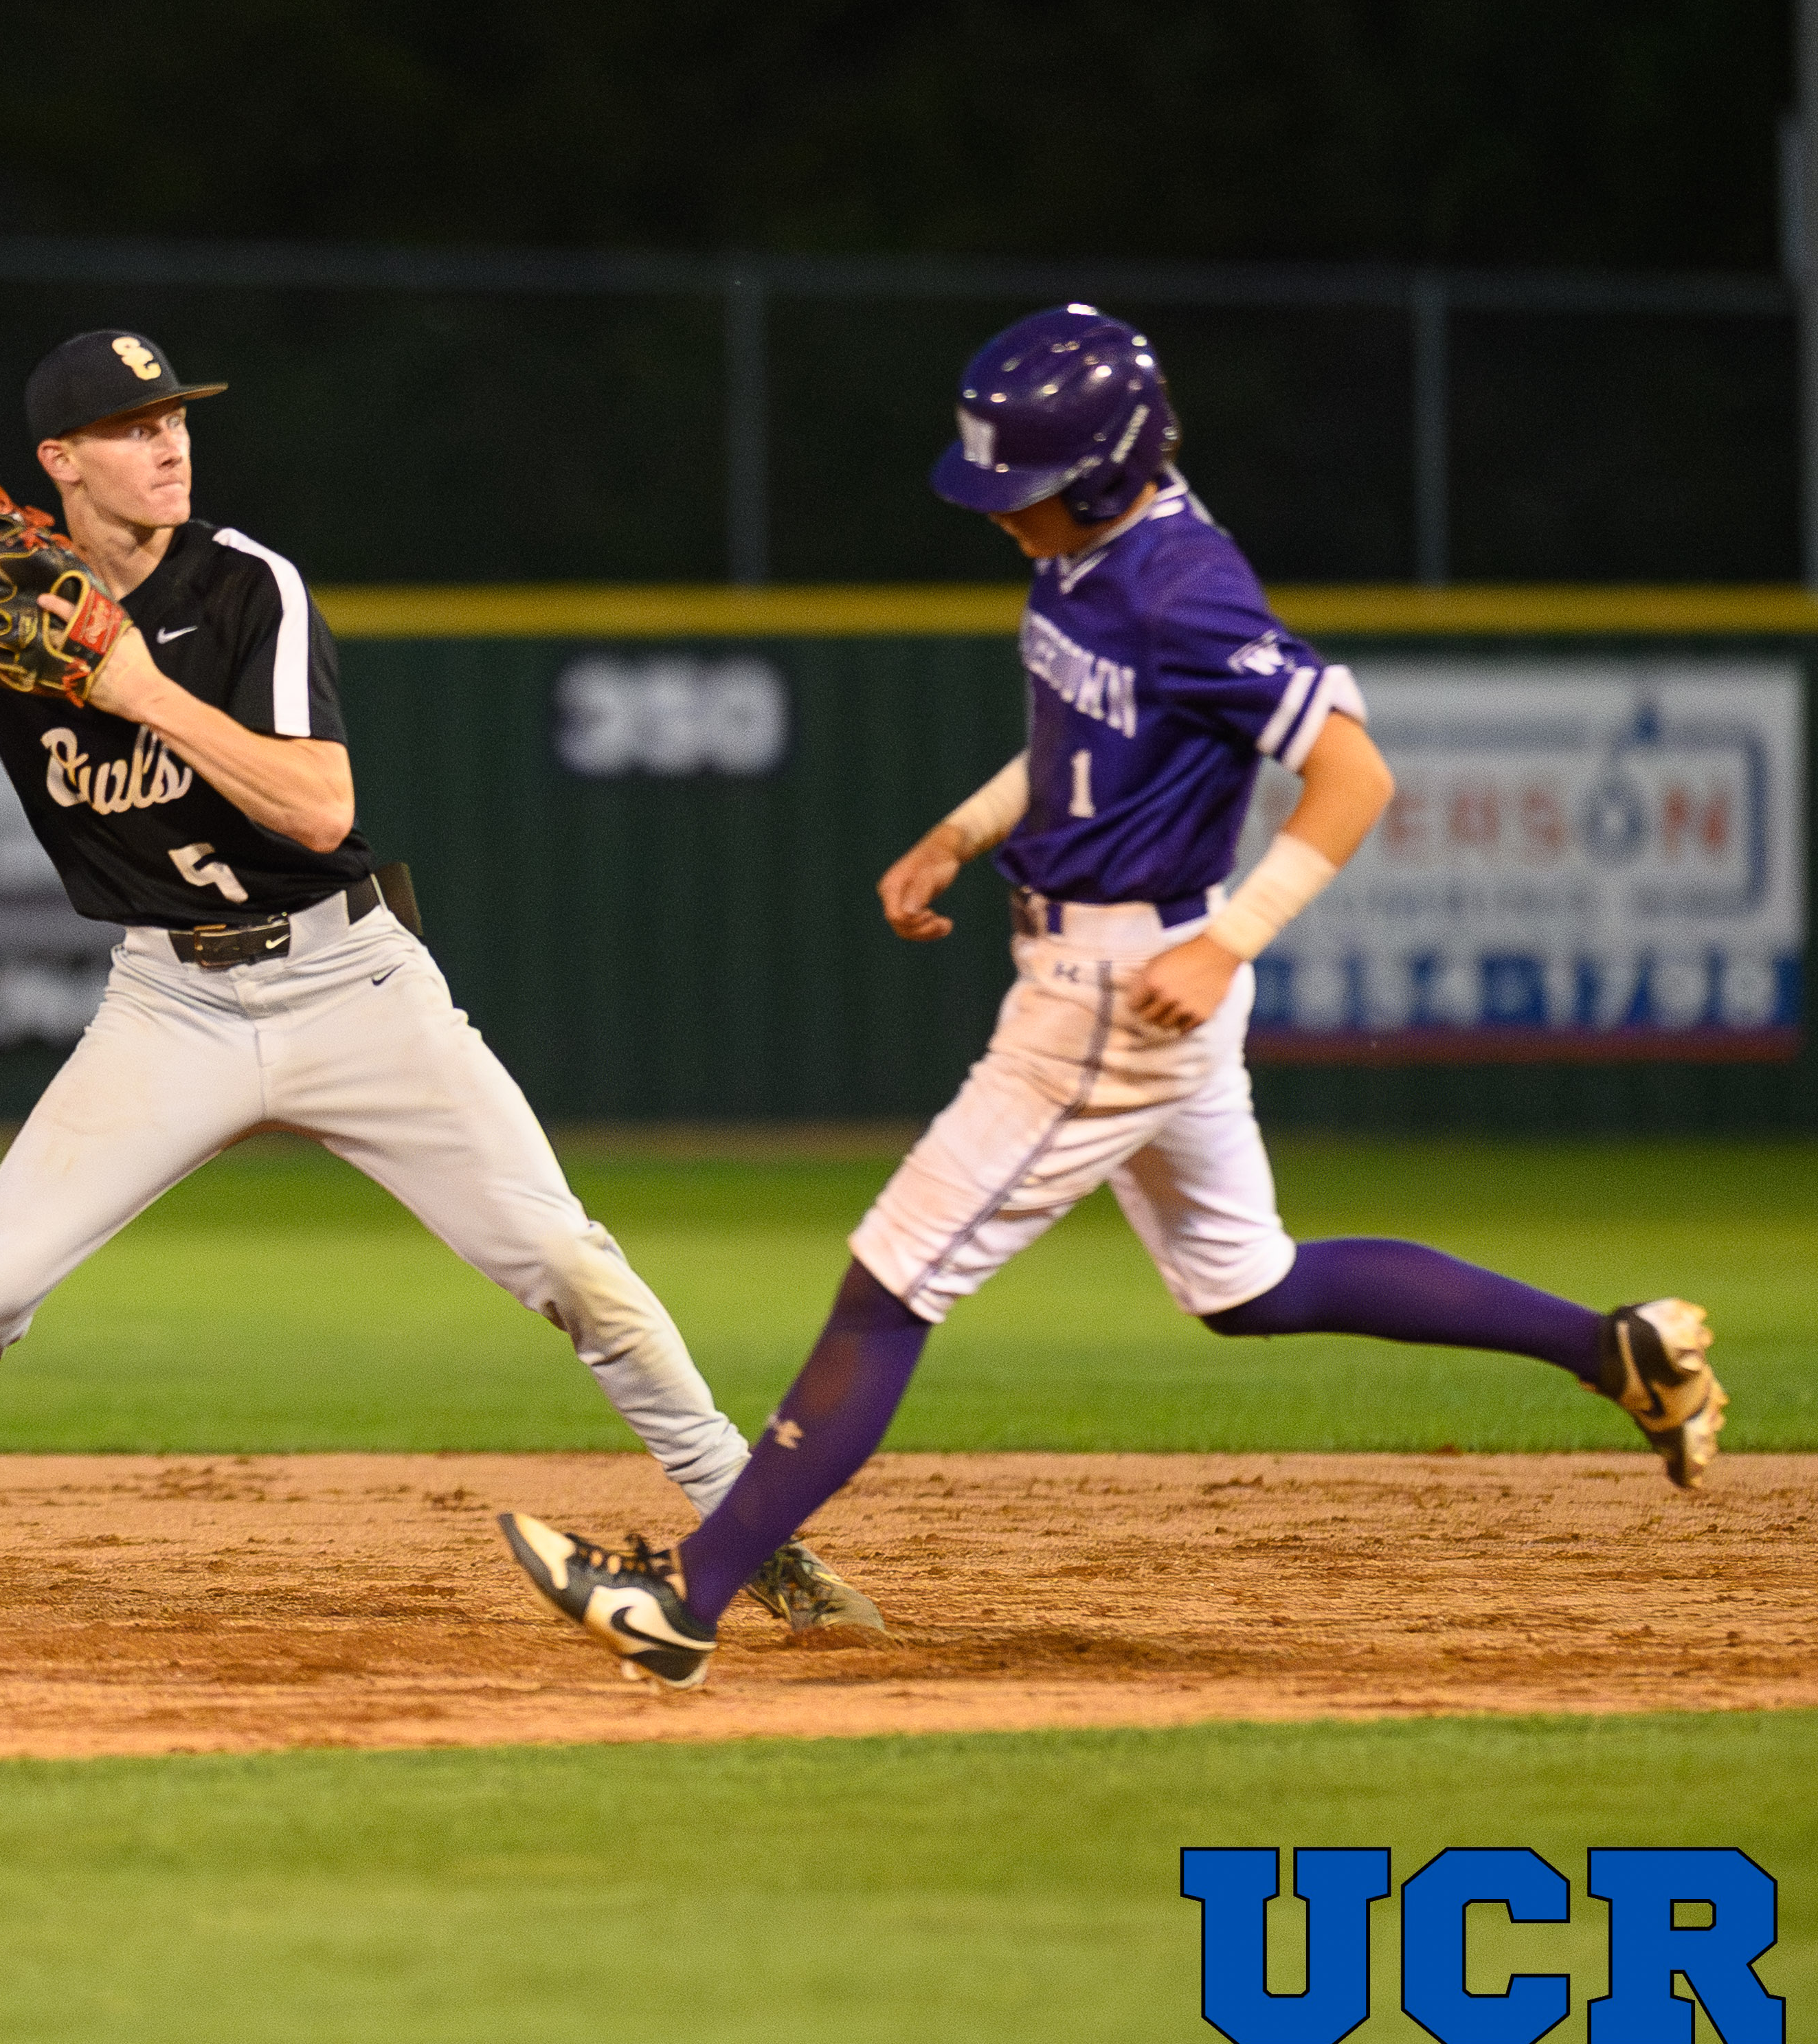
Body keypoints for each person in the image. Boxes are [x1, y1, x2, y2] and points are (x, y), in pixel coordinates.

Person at [498, 304, 1733, 1691]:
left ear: (1102, 475)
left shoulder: (1179, 586)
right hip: (1115, 967)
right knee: (1249, 1284)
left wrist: (1230, 941)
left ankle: (687, 1600)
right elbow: (1082, 744)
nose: (997, 510)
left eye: (1021, 486)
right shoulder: (1086, 557)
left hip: (1114, 996)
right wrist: (962, 831)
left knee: (887, 1287)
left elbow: (1354, 772)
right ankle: (1613, 1350)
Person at [0, 328, 867, 1638]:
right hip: (166, 1002)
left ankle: (758, 1536)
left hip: (348, 979)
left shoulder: (247, 586)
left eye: (176, 418)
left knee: (564, 1260)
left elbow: (317, 806)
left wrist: (134, 687)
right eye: (133, 427)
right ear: (59, 460)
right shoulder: (9, 612)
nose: (169, 443)